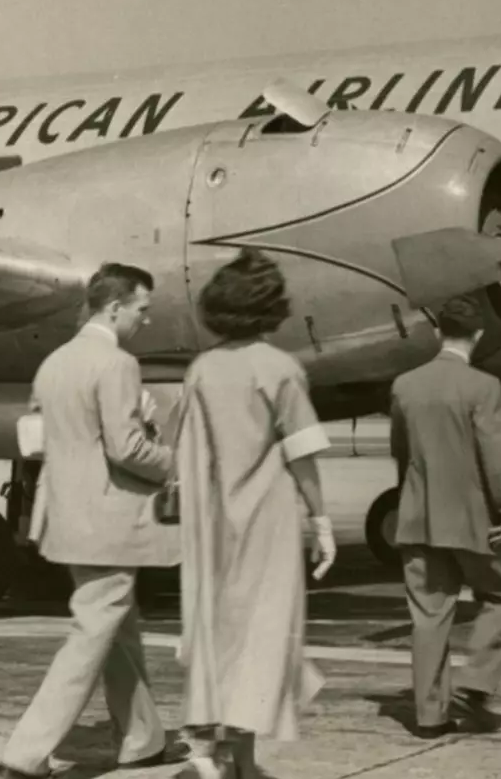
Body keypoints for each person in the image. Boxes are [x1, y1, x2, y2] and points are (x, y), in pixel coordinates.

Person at [0, 263, 188, 779]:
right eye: (142, 309)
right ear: (115, 307)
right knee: (91, 636)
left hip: (67, 517)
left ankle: (143, 741)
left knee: (117, 628)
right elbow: (126, 448)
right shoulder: (117, 363)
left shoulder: (54, 362)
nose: (146, 320)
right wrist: (176, 462)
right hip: (109, 523)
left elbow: (43, 437)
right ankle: (23, 757)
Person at [174, 249, 338, 778]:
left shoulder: (201, 369)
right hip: (269, 519)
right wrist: (321, 520)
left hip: (213, 519)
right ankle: (225, 756)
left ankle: (233, 758)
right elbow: (302, 452)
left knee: (222, 631)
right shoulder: (280, 368)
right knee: (265, 632)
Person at [389, 295, 501, 738]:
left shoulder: (404, 385)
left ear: (438, 332)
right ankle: (477, 682)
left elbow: (400, 452)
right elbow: (497, 458)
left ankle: (430, 718)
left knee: (428, 616)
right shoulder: (484, 386)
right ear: (479, 335)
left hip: (417, 518)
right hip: (470, 519)